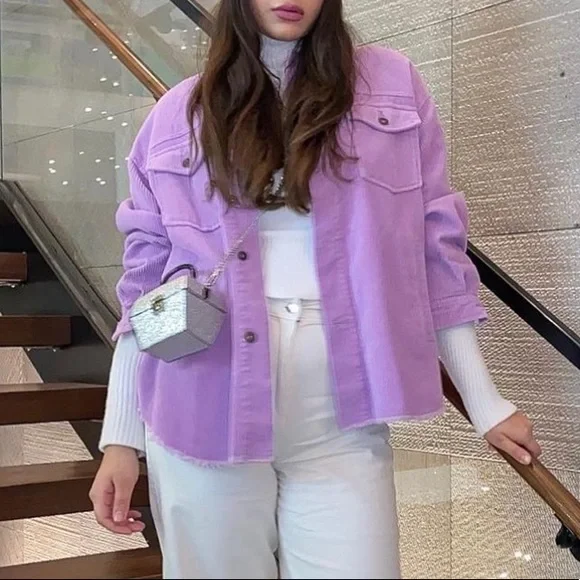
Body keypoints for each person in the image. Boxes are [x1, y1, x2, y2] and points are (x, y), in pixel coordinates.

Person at [90, 1, 542, 578]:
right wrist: (120, 438)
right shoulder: (176, 115)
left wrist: (485, 402)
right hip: (202, 401)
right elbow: (144, 284)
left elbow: (435, 249)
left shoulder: (390, 84)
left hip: (341, 410)